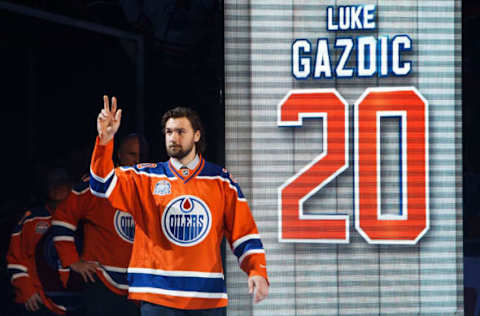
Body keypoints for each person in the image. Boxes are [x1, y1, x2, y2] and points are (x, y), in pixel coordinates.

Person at [89, 96, 269, 315]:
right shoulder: (145, 177)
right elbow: (100, 185)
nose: (173, 138)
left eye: (180, 131)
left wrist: (256, 270)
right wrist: (104, 141)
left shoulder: (221, 181)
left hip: (206, 296)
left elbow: (244, 234)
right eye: (169, 132)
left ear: (197, 135)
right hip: (156, 294)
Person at [51, 134, 147, 316]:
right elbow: (62, 218)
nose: (137, 161)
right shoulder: (96, 185)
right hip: (102, 282)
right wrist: (72, 260)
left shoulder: (150, 187)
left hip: (138, 285)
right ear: (118, 154)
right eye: (131, 154)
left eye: (141, 156)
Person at [6, 167, 76, 316]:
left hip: (75, 303)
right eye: (52, 183)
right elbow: (16, 259)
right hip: (37, 301)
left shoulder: (84, 220)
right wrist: (27, 291)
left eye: (61, 182)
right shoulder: (32, 219)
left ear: (71, 186)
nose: (57, 187)